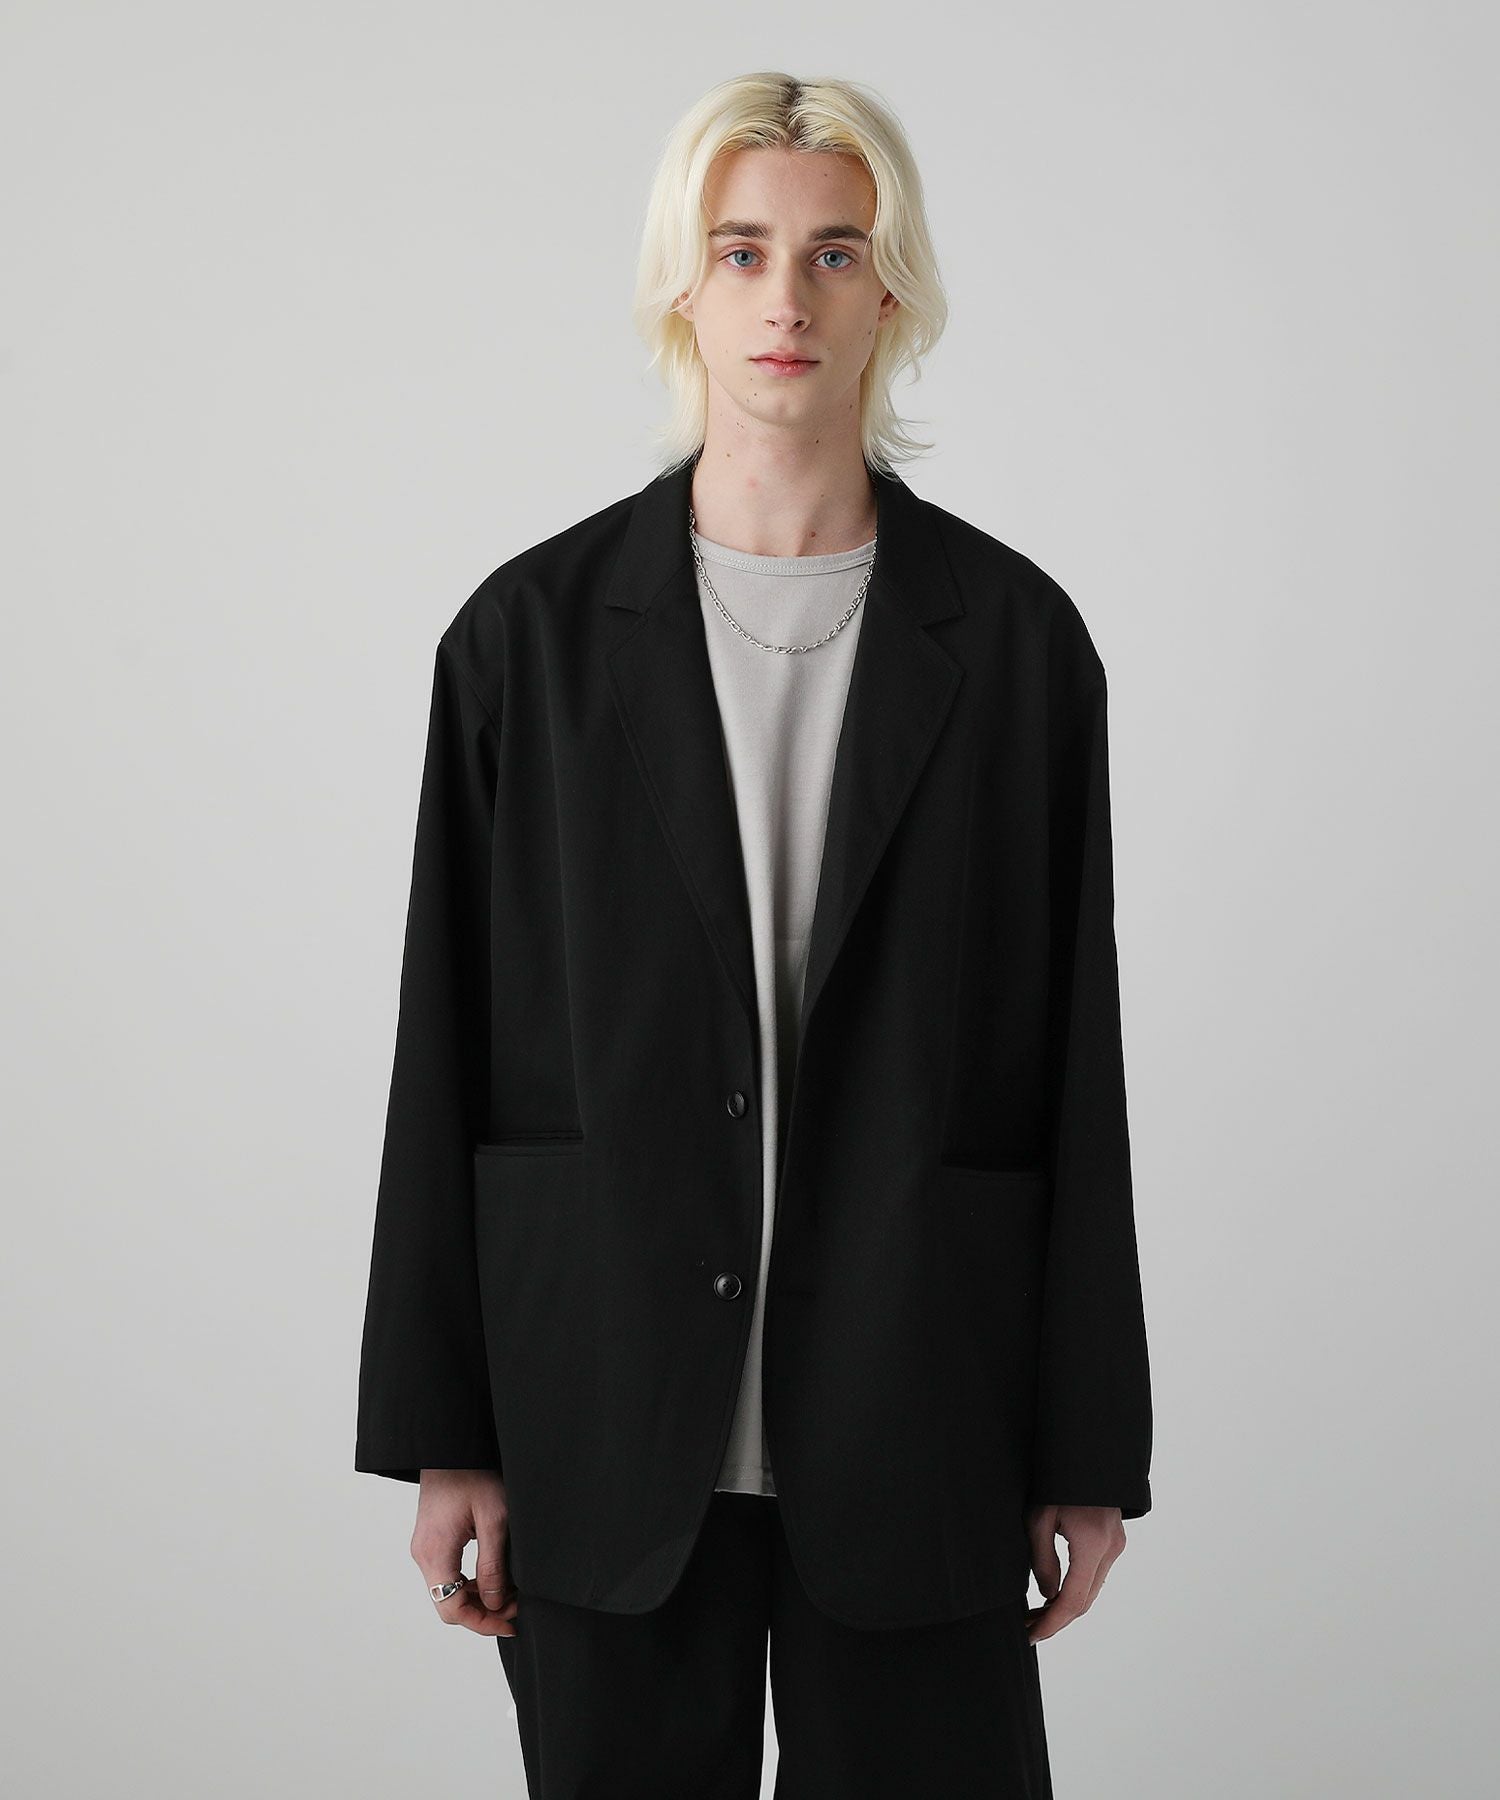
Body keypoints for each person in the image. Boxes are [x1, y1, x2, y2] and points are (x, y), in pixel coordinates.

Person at [355, 69, 1153, 1798]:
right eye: (741, 251)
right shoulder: (527, 642)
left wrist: (1086, 1444)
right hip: (605, 1413)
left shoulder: (1018, 647)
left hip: (922, 1408)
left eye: (834, 252)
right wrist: (444, 1433)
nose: (786, 297)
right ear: (683, 286)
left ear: (893, 292)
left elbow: (1071, 1064)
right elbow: (449, 1047)